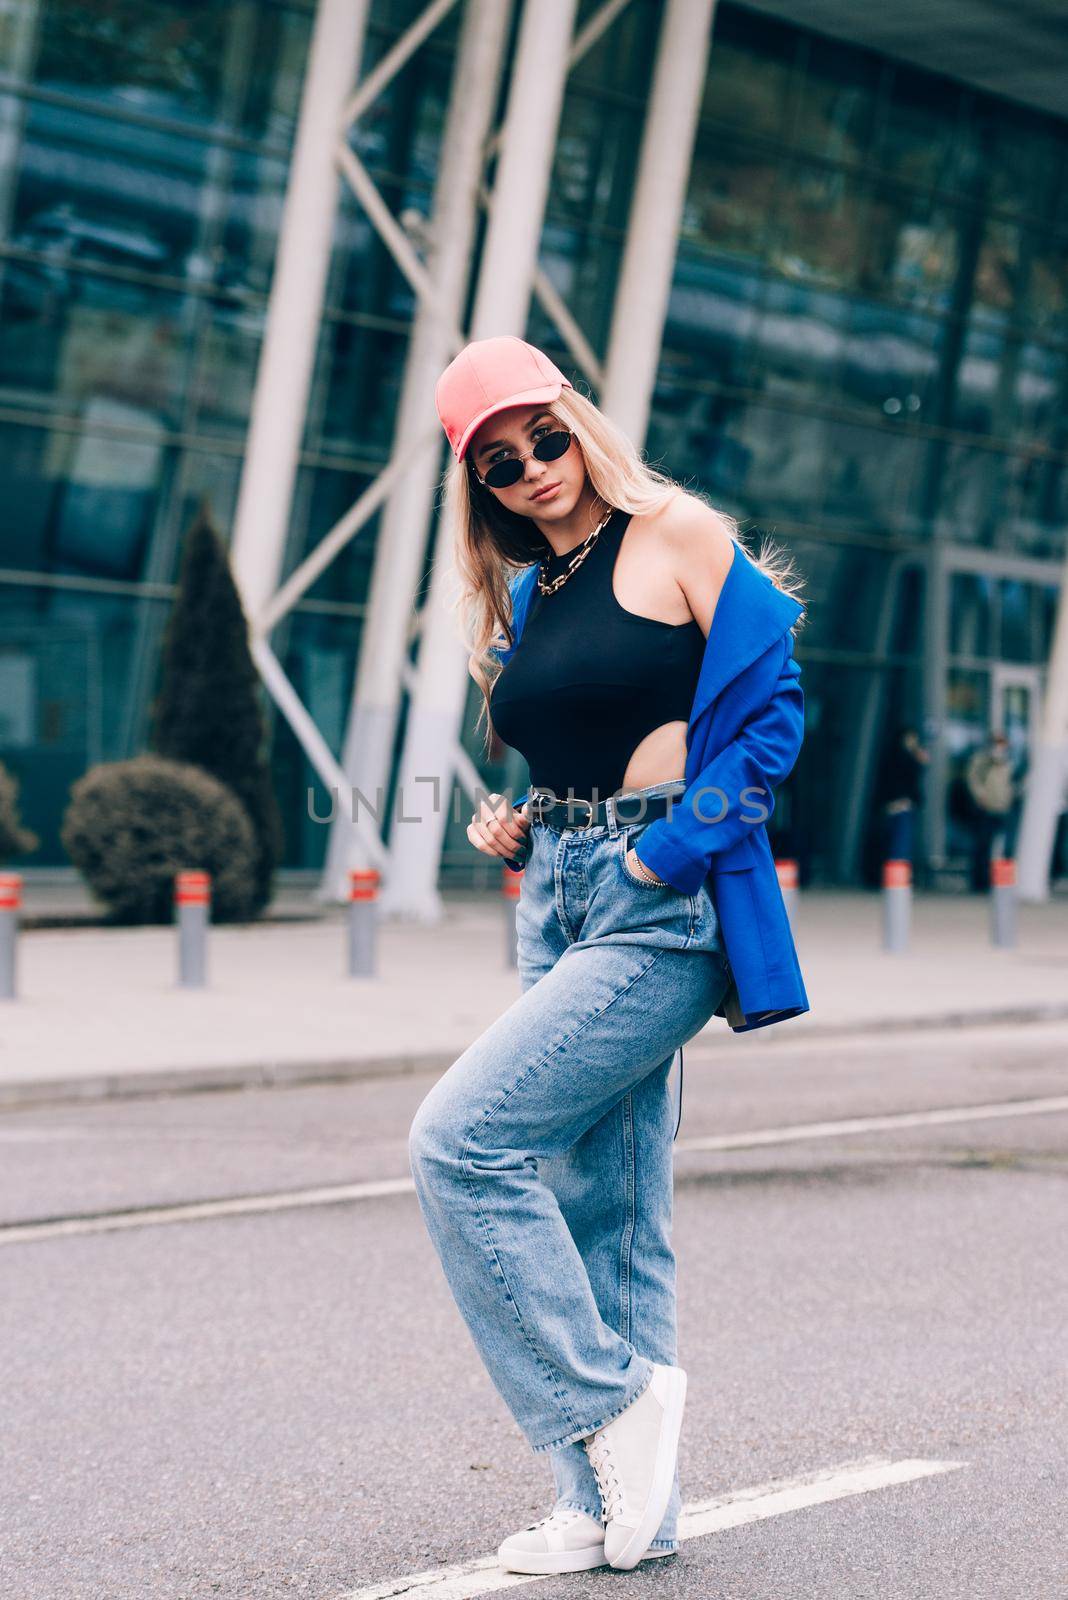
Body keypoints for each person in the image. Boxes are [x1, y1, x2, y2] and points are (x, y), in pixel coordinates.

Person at [407, 336, 808, 1574]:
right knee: (608, 1211)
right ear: (476, 484)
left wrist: (667, 852)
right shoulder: (531, 593)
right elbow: (565, 740)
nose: (528, 468)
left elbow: (775, 716)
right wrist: (515, 816)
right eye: (495, 462)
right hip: (562, 890)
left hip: (658, 902)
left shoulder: (676, 531)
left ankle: (602, 1401)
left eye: (540, 435)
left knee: (462, 1142)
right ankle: (617, 1510)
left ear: (576, 419)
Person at [964, 732, 1017, 891]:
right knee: (982, 846)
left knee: (1003, 846)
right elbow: (973, 780)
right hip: (985, 808)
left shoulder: (1008, 762)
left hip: (1002, 808)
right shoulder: (981, 760)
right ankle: (979, 881)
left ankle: (998, 879)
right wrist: (980, 797)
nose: (1000, 748)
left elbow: (1010, 784)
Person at [879, 722, 929, 868]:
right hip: (901, 804)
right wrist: (920, 763)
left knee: (897, 842)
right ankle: (897, 880)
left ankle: (895, 878)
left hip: (896, 804)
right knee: (900, 844)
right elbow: (909, 779)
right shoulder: (903, 757)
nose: (913, 742)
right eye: (910, 738)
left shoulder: (894, 755)